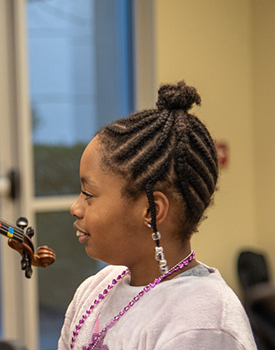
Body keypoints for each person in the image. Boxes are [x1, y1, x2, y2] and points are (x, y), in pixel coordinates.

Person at [59, 81, 257, 350]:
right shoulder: (94, 290)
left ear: (152, 212)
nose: (76, 207)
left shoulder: (203, 324)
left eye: (88, 195)